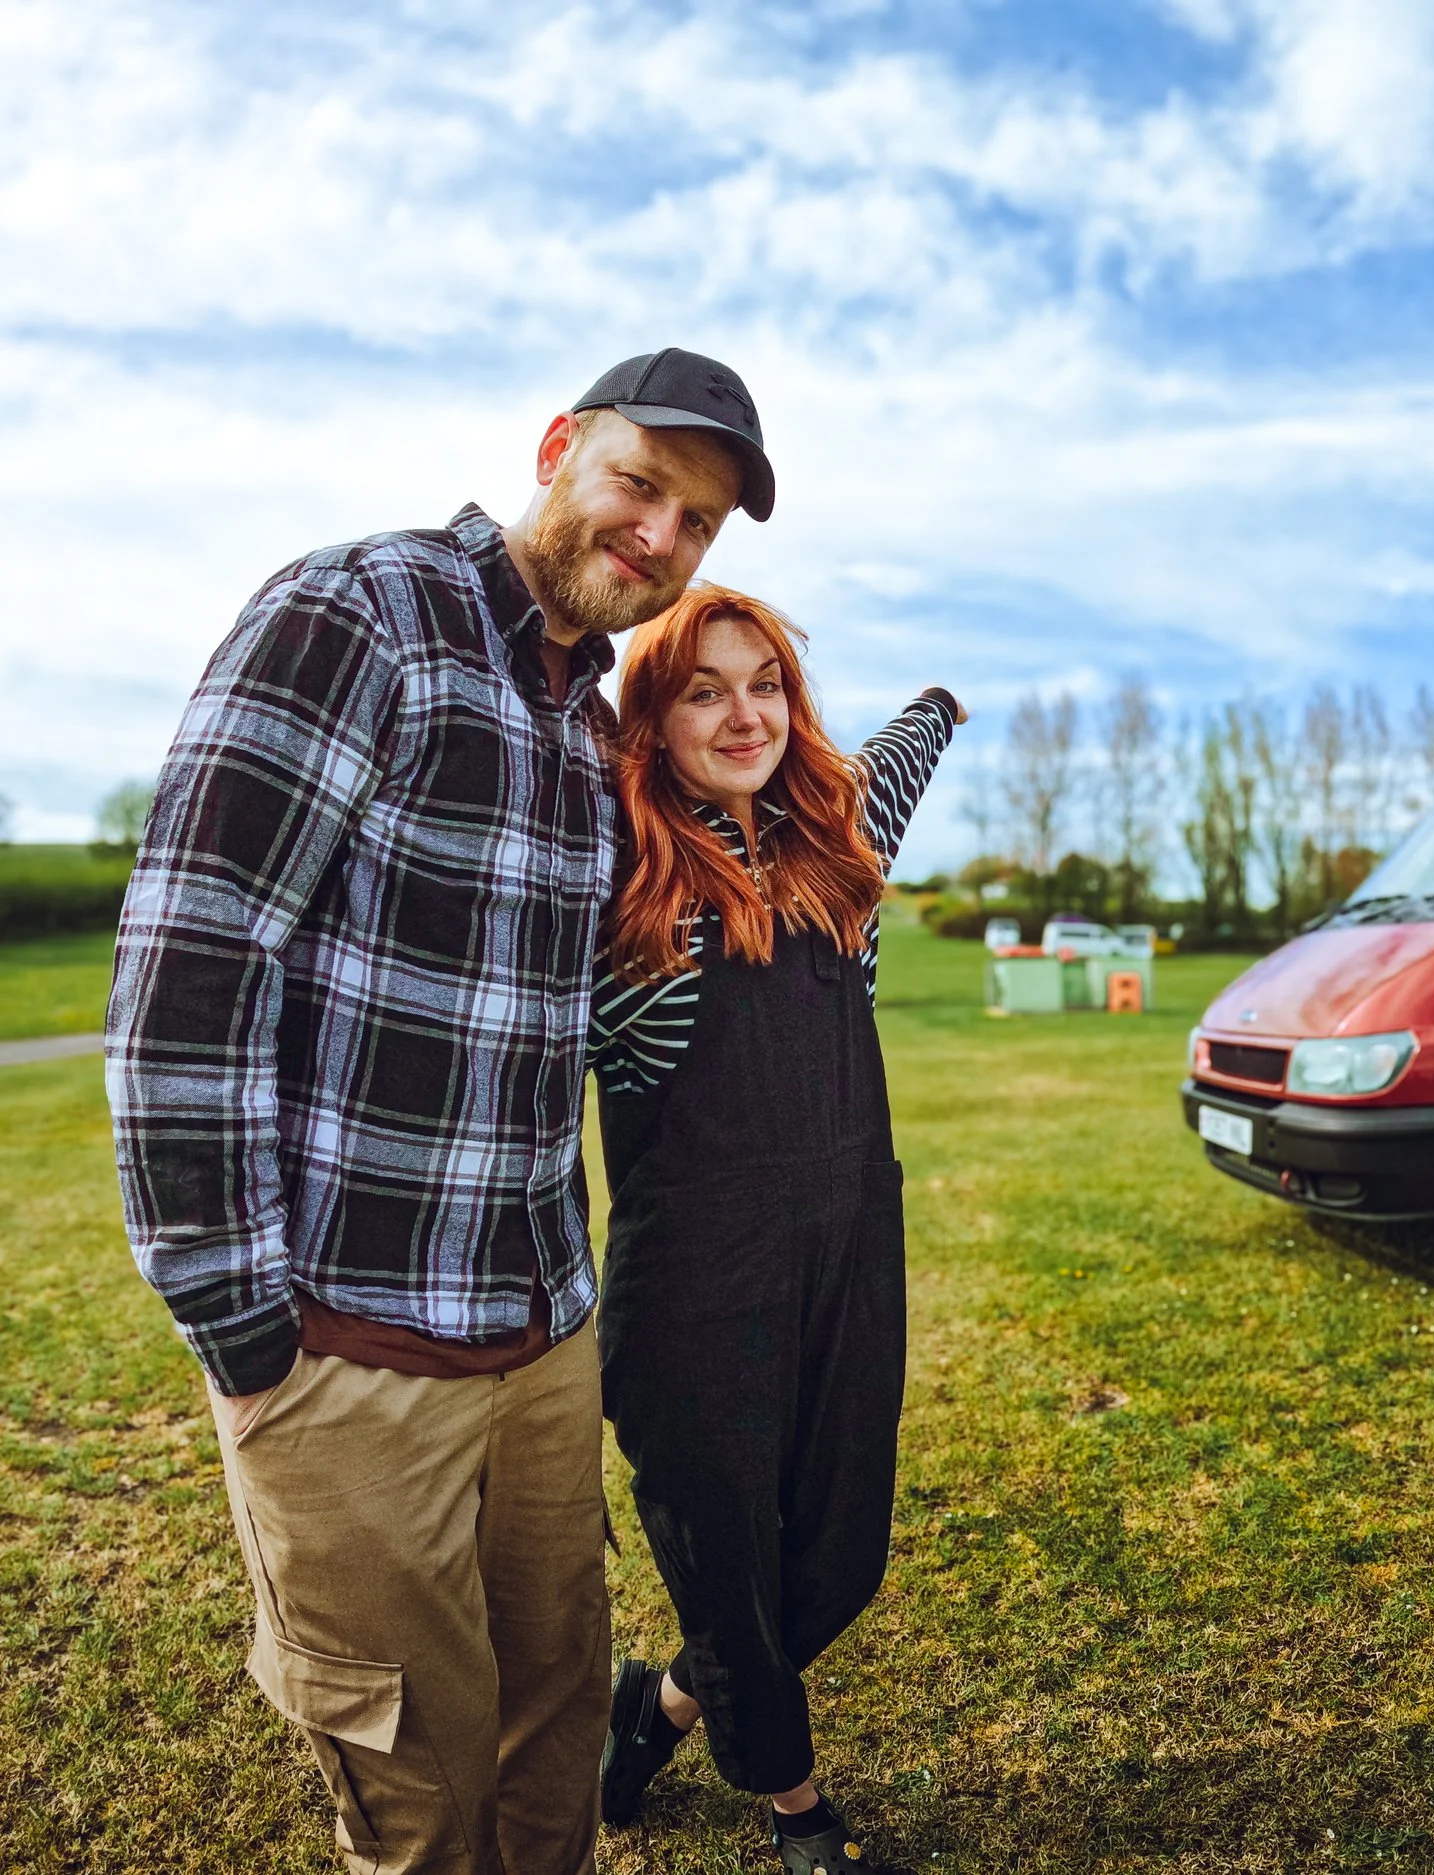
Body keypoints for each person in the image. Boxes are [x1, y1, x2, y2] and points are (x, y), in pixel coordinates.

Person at [106, 349, 774, 1872]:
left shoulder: (577, 718)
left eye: (700, 523)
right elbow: (189, 967)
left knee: (547, 1762)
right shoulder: (364, 615)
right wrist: (242, 1332)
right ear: (558, 444)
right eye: (640, 484)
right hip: (348, 1358)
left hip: (538, 1348)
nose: (662, 538)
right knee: (417, 1799)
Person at [586, 582, 958, 1874]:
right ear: (655, 716)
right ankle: (803, 1818)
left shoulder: (837, 857)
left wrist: (943, 703)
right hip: (693, 1272)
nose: (744, 711)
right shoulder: (619, 884)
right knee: (729, 1555)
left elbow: (899, 757)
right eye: (705, 687)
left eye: (767, 683)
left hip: (850, 1237)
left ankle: (661, 1703)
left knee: (840, 1553)